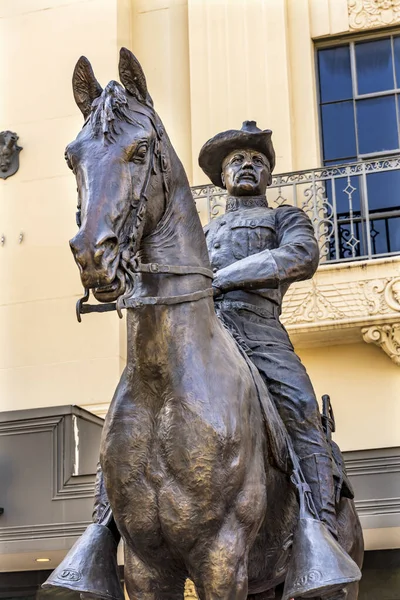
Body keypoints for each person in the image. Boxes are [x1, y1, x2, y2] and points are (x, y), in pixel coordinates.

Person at [199, 120, 338, 539]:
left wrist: (222, 278)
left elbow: (301, 255)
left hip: (259, 330)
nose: (246, 165)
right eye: (236, 161)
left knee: (300, 407)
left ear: (268, 175)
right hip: (204, 332)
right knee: (136, 405)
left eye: (257, 160)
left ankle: (323, 525)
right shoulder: (202, 232)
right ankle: (103, 525)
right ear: (222, 177)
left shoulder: (284, 217)